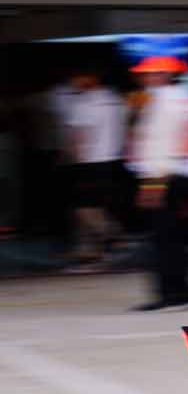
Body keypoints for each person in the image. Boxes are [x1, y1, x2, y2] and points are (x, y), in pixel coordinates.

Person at [128, 56, 188, 310]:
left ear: (164, 75)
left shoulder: (164, 102)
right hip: (181, 175)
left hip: (165, 176)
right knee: (174, 237)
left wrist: (152, 186)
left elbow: (162, 147)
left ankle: (170, 295)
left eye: (149, 74)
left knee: (163, 238)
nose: (143, 79)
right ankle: (183, 293)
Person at [60, 69, 126, 269]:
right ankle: (91, 251)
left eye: (77, 76)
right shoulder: (115, 99)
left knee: (83, 208)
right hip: (112, 160)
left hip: (89, 161)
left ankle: (114, 236)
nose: (73, 81)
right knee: (96, 206)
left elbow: (80, 136)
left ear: (91, 77)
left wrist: (73, 159)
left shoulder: (84, 102)